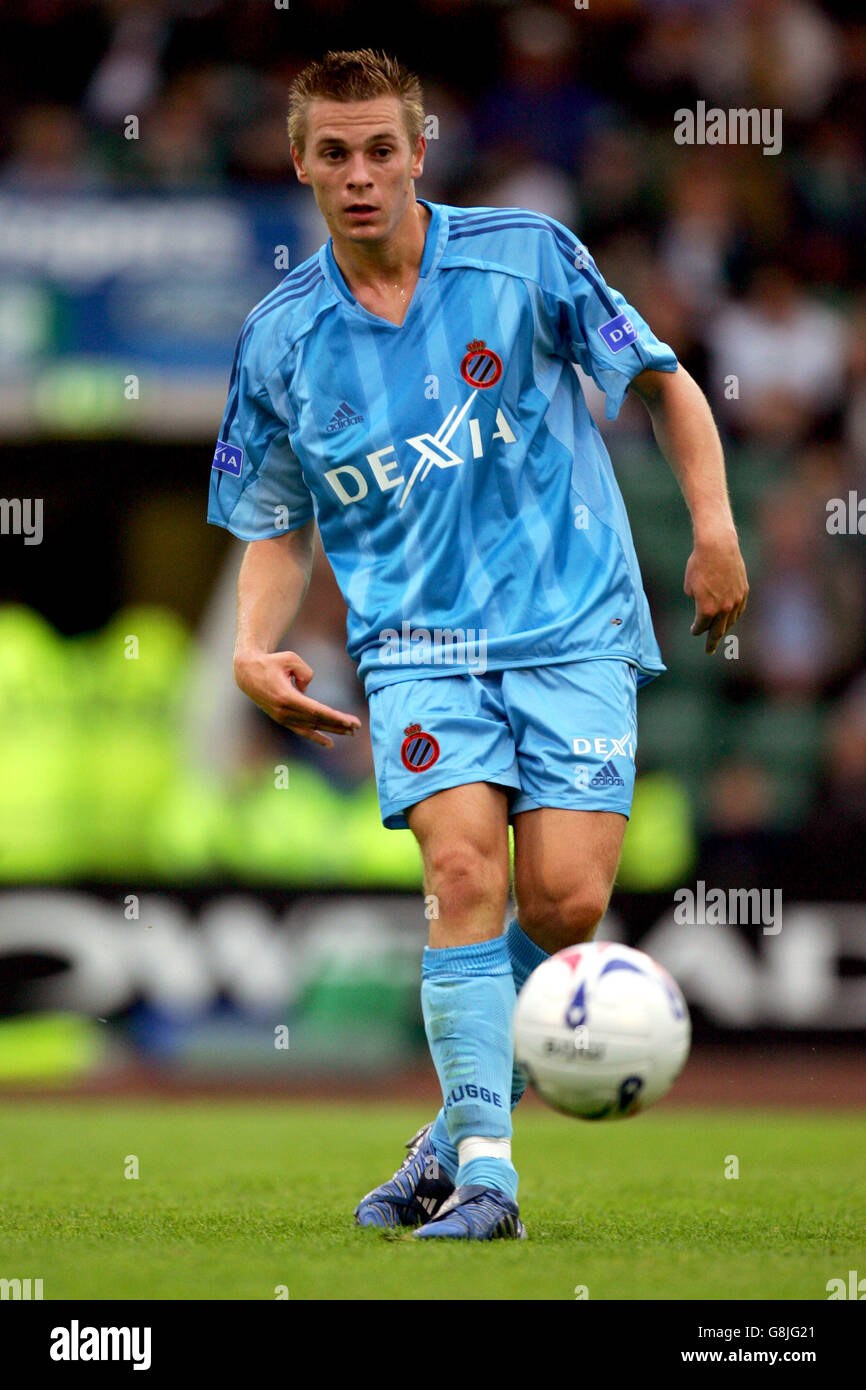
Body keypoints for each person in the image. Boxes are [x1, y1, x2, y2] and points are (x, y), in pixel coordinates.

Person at [207, 49, 748, 1240]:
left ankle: (444, 1133)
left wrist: (712, 530)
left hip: (573, 624)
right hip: (414, 643)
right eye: (334, 153)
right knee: (463, 879)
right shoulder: (280, 339)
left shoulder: (525, 254)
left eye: (381, 149)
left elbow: (662, 384)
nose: (359, 175)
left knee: (563, 904)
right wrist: (254, 645)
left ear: (418, 150)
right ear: (299, 162)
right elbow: (274, 520)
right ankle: (489, 1180)